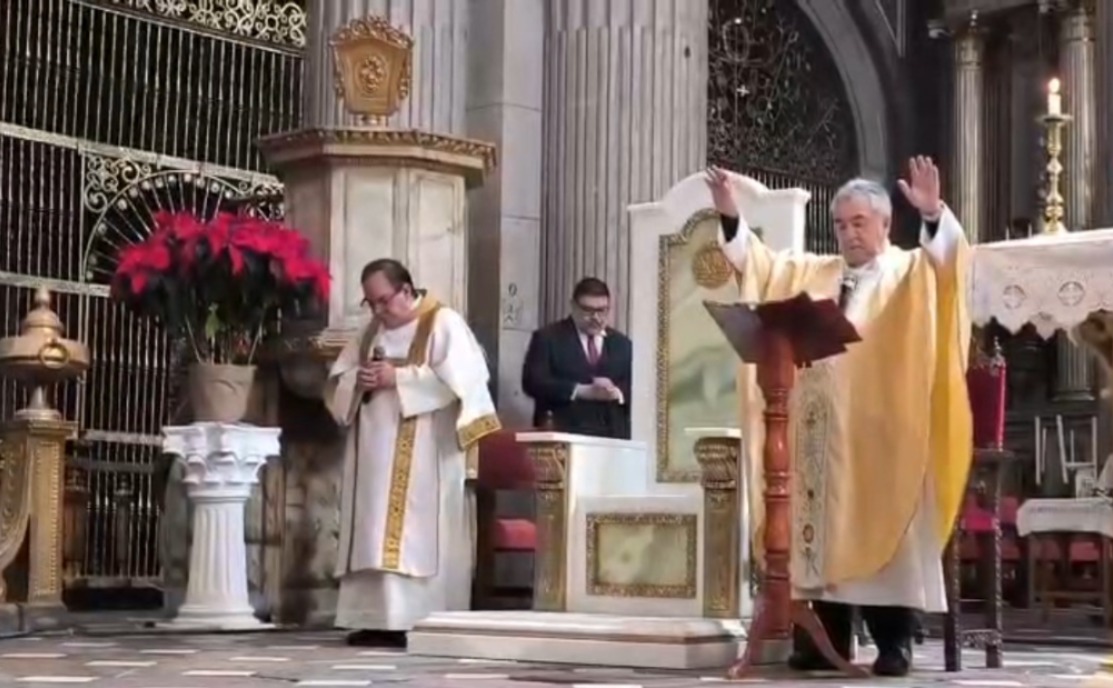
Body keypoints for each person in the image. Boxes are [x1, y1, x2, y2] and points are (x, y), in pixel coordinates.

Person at [705, 158, 972, 677]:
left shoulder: (908, 271)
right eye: (841, 225)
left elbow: (950, 265)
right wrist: (731, 217)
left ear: (885, 224)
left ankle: (894, 642)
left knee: (884, 532)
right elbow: (759, 264)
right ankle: (825, 639)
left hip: (882, 428)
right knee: (817, 530)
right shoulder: (816, 273)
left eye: (859, 223)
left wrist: (934, 212)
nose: (849, 234)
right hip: (815, 427)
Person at [324, 258, 500, 648]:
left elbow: (464, 383)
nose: (378, 310)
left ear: (406, 290)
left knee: (413, 538)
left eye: (384, 301)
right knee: (371, 532)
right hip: (372, 453)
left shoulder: (443, 323)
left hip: (425, 454)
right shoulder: (371, 330)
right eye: (370, 303)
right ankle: (374, 618)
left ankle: (417, 618)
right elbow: (339, 380)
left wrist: (397, 378)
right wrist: (359, 381)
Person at [522, 277, 632, 439]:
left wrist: (615, 392)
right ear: (573, 306)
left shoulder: (622, 344)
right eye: (588, 310)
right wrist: (579, 391)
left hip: (612, 437)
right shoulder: (548, 338)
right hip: (562, 433)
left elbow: (637, 387)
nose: (596, 317)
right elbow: (533, 382)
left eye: (602, 310)